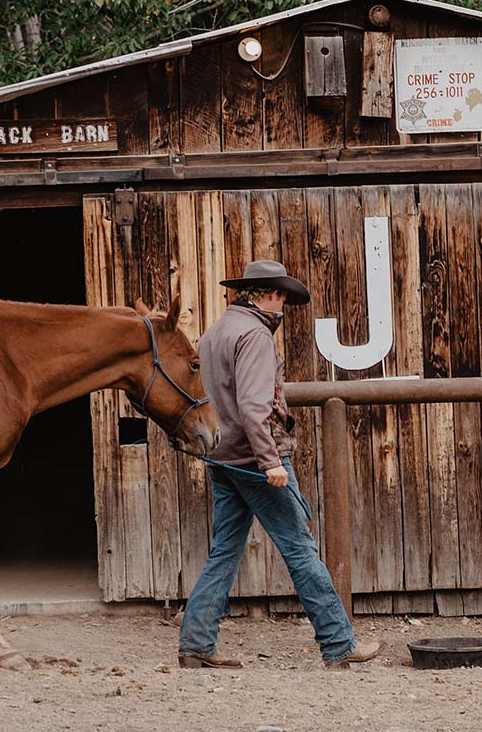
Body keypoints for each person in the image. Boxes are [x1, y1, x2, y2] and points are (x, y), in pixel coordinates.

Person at [178, 259, 383, 670]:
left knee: (224, 552)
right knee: (300, 550)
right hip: (256, 460)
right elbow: (255, 408)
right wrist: (272, 462)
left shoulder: (213, 334)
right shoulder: (254, 336)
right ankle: (339, 644)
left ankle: (196, 643)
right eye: (282, 299)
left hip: (223, 459)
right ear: (268, 295)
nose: (283, 308)